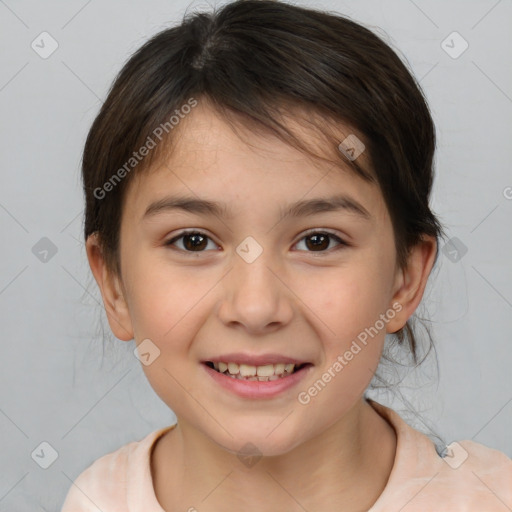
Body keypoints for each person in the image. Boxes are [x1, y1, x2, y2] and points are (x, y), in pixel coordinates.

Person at [61, 0, 512, 510]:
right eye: (193, 241)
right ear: (114, 284)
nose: (255, 308)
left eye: (318, 241)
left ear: (404, 278)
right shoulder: (94, 500)